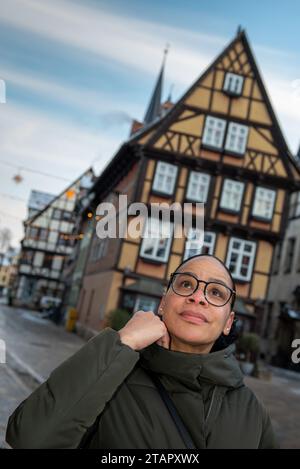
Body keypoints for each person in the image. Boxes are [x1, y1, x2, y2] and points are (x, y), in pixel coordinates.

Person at [6, 253, 279, 449]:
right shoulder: (111, 377)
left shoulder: (251, 411)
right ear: (163, 303)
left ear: (228, 322)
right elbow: (30, 438)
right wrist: (122, 342)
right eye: (186, 284)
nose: (198, 297)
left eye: (217, 293)